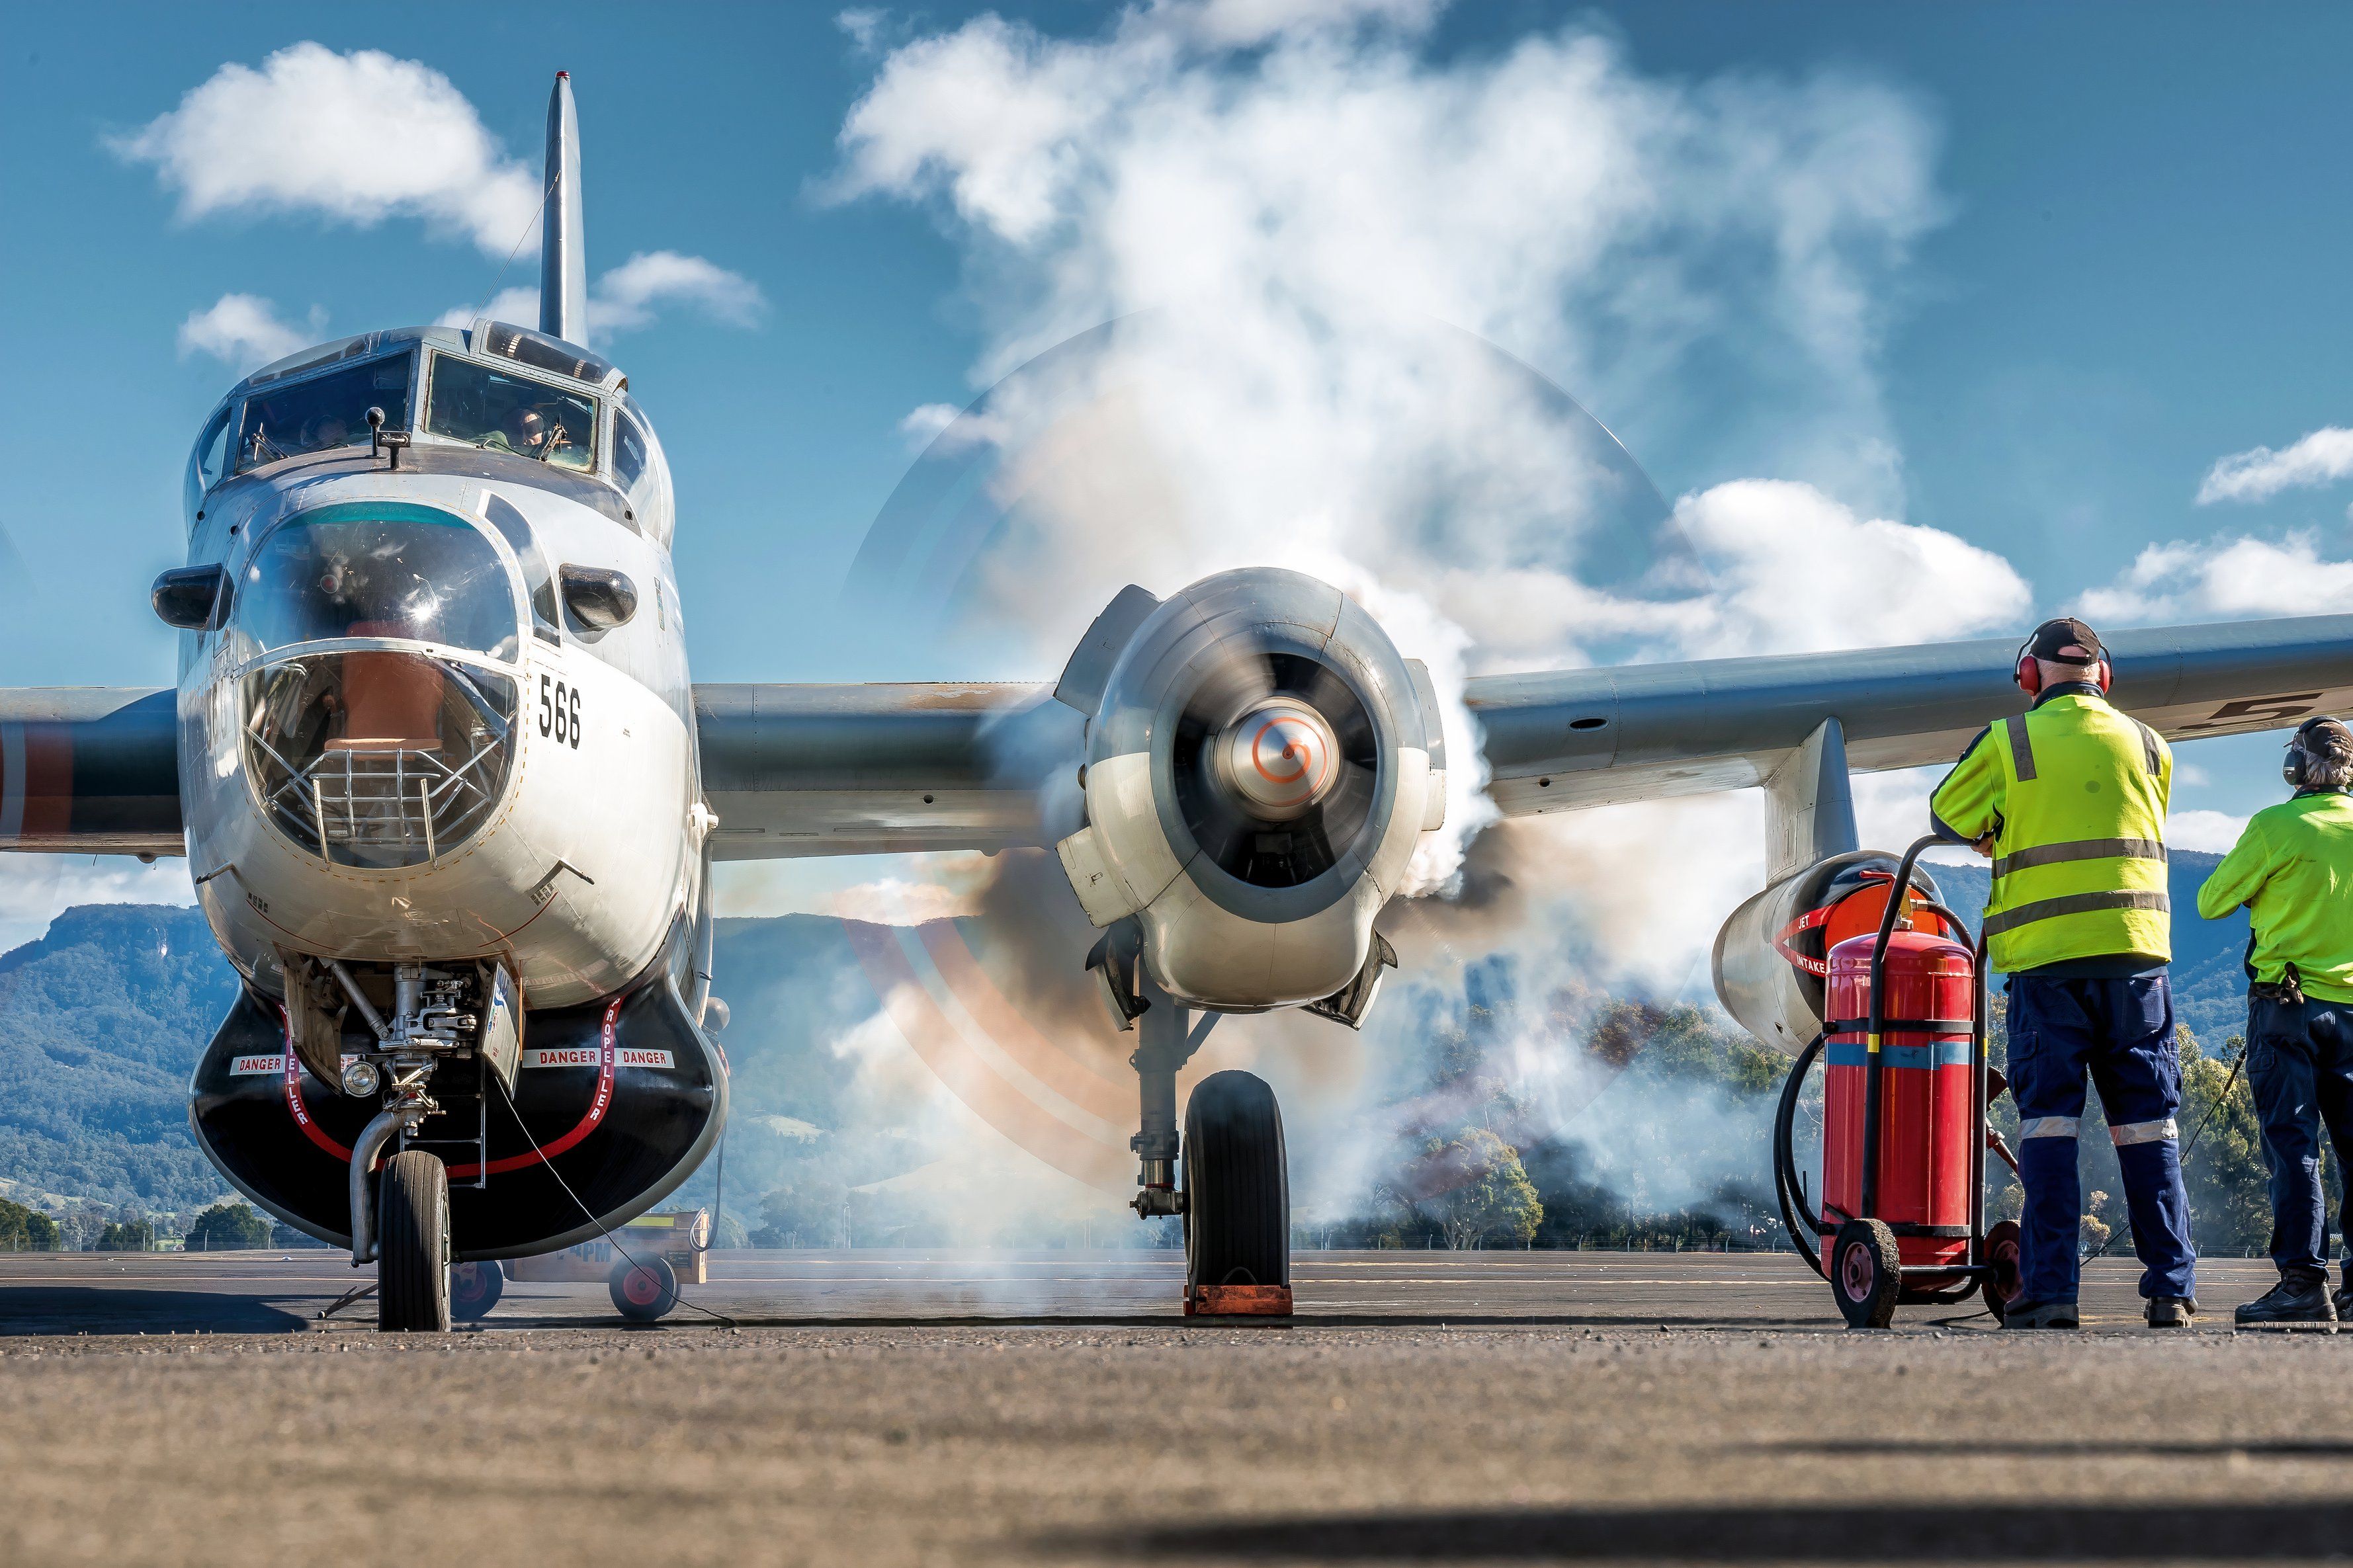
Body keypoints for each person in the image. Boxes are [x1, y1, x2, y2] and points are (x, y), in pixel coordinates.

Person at [1930, 616, 2196, 1329]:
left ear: (2029, 676)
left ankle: (2051, 1293)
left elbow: (1947, 814)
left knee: (2048, 1129)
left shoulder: (2007, 740)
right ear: (2102, 677)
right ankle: (2170, 1287)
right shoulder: (2150, 745)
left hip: (2046, 969)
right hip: (2136, 962)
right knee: (2148, 1131)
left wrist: (1999, 826)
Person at [2195, 717, 2353, 1329]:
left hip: (2287, 1010)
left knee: (2293, 1150)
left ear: (2295, 769)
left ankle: (2300, 1282)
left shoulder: (2273, 827)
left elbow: (2210, 901)